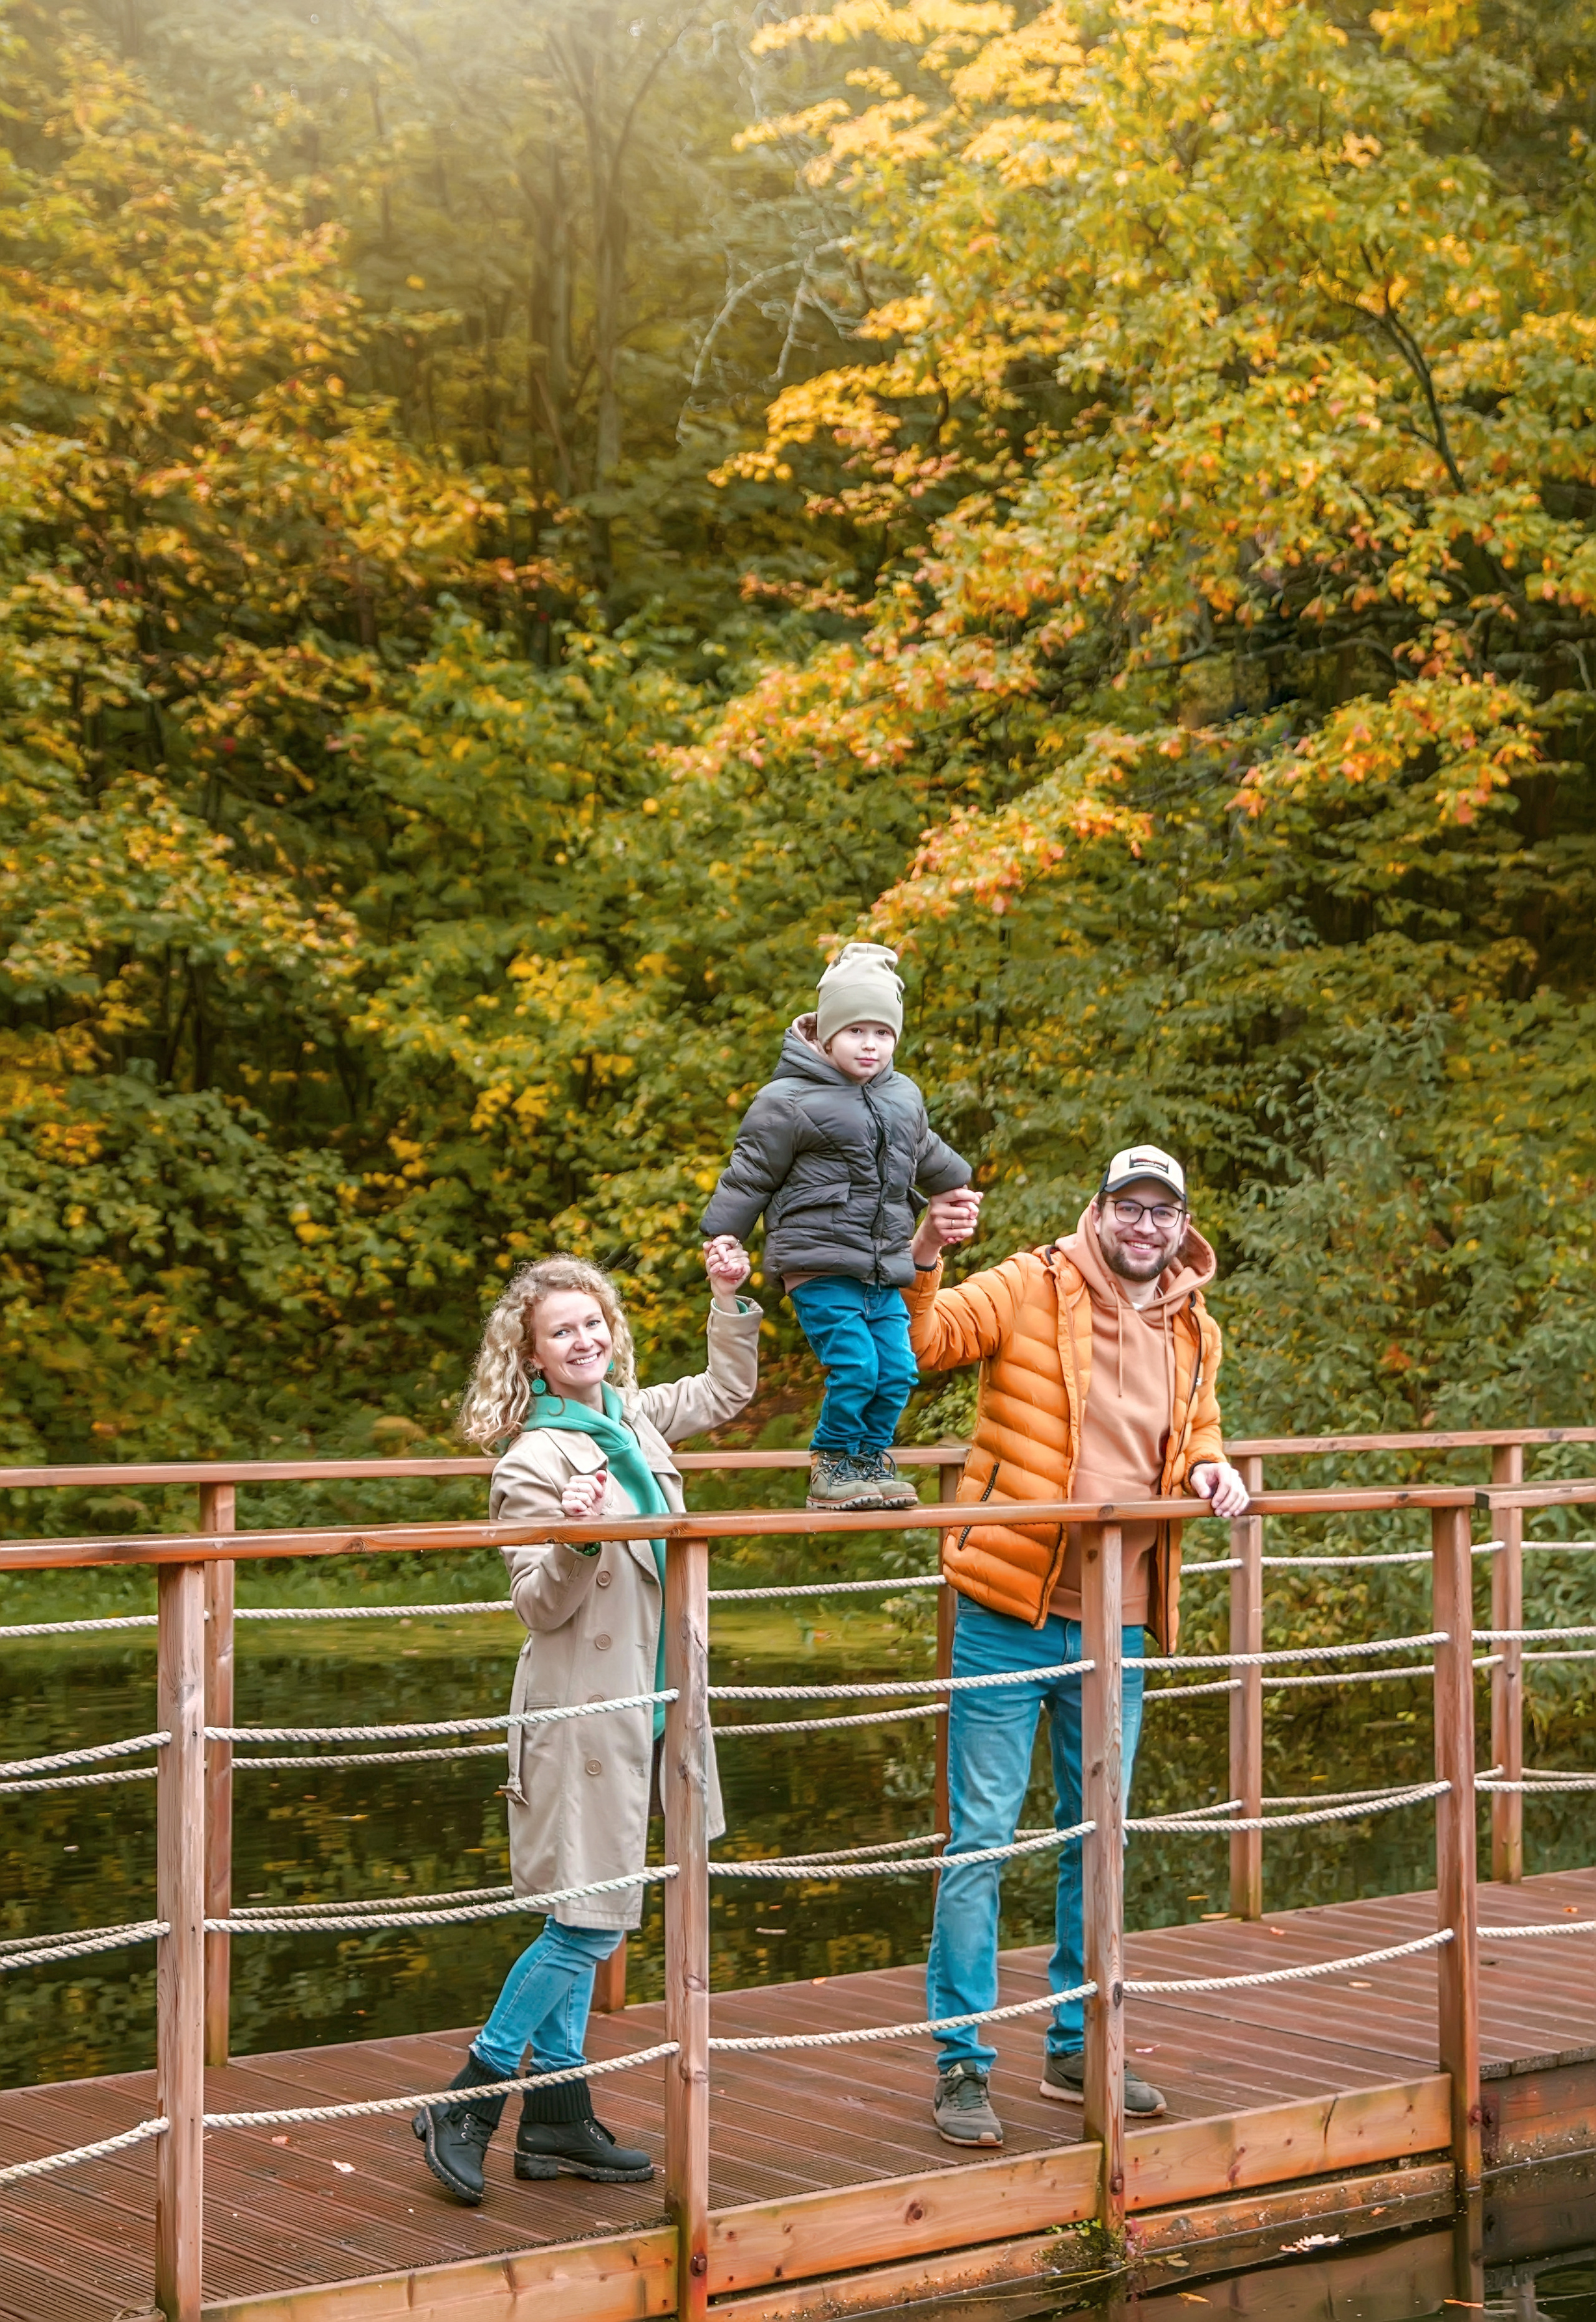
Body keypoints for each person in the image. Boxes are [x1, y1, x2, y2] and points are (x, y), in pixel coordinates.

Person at [904, 1145, 1251, 2147]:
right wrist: (927, 1248)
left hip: (1121, 1617)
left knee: (1099, 1838)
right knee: (981, 1840)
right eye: (1128, 1207)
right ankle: (961, 2063)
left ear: (1183, 1227)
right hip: (1008, 1609)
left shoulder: (1197, 1328)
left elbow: (1197, 1439)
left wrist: (1214, 1473)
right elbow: (926, 1342)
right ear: (1097, 1210)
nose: (1145, 1227)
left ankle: (1076, 2044)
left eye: (1163, 1212)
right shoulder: (1030, 1282)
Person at [415, 1238, 757, 2206]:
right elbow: (537, 1605)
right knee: (588, 1919)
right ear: (530, 1354)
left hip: (657, 1706)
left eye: (592, 1323)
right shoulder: (532, 1460)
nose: (583, 1339)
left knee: (595, 1908)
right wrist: (575, 1535)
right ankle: (471, 2099)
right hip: (582, 1716)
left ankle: (557, 2122)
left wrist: (728, 1297)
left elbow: (726, 1392)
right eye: (561, 1331)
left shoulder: (638, 1421)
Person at [701, 942, 976, 1513]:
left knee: (898, 1369)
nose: (870, 1045)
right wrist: (725, 1232)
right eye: (856, 1032)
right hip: (819, 1260)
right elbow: (750, 1174)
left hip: (882, 1261)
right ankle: (832, 1462)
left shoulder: (902, 1097)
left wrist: (955, 1186)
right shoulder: (789, 1099)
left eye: (882, 1033)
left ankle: (868, 1461)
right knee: (856, 1364)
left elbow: (926, 1150)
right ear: (826, 1036)